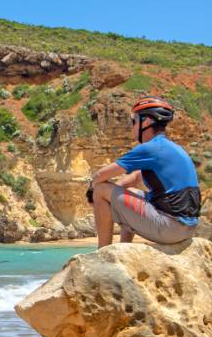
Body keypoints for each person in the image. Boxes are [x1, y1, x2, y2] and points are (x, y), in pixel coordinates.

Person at [85, 97, 201, 248]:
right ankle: (124, 248)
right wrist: (115, 191)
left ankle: (103, 252)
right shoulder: (169, 148)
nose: (132, 127)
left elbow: (101, 175)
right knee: (130, 191)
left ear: (146, 122)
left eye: (134, 121)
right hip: (186, 228)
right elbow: (134, 177)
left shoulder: (150, 148)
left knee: (100, 189)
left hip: (171, 228)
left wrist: (93, 190)